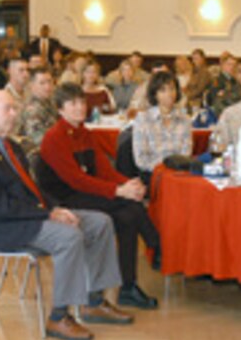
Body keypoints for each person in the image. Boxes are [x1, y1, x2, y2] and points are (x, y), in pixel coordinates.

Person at [0, 91, 132, 340]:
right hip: (6, 227)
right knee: (69, 237)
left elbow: (34, 189)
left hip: (31, 217)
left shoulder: (12, 146)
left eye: (14, 108)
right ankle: (59, 316)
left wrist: (57, 208)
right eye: (7, 109)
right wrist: (48, 213)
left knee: (100, 222)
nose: (14, 114)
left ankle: (93, 301)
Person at [38, 83, 161, 310]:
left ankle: (128, 285)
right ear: (60, 109)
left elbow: (103, 170)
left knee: (128, 214)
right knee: (129, 206)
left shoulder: (85, 132)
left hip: (83, 193)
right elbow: (75, 180)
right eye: (72, 103)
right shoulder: (54, 137)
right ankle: (156, 247)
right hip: (62, 201)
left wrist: (126, 183)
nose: (79, 108)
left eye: (82, 102)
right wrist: (119, 191)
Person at [132, 71, 193, 174]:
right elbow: (141, 159)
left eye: (172, 89)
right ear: (155, 94)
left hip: (177, 173)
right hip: (153, 174)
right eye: (162, 90)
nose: (169, 94)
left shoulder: (185, 119)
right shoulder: (143, 119)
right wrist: (164, 169)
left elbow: (186, 154)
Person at [14, 67, 58, 159]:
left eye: (49, 81)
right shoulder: (32, 110)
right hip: (38, 156)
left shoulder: (50, 103)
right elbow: (39, 140)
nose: (47, 86)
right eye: (42, 83)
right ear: (31, 85)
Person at [206, 52, 241, 116]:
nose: (232, 67)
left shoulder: (234, 80)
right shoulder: (218, 80)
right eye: (229, 64)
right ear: (223, 65)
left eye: (234, 65)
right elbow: (214, 97)